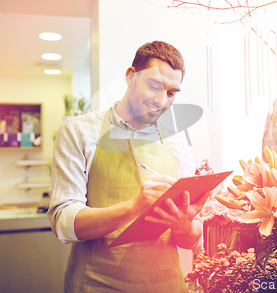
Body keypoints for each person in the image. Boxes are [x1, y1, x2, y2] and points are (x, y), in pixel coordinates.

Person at [48, 41, 208, 293]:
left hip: (166, 285)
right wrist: (135, 206)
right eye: (154, 86)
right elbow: (63, 222)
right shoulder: (79, 131)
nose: (161, 101)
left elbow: (192, 237)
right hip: (97, 284)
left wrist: (184, 226)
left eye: (170, 93)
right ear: (130, 77)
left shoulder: (178, 140)